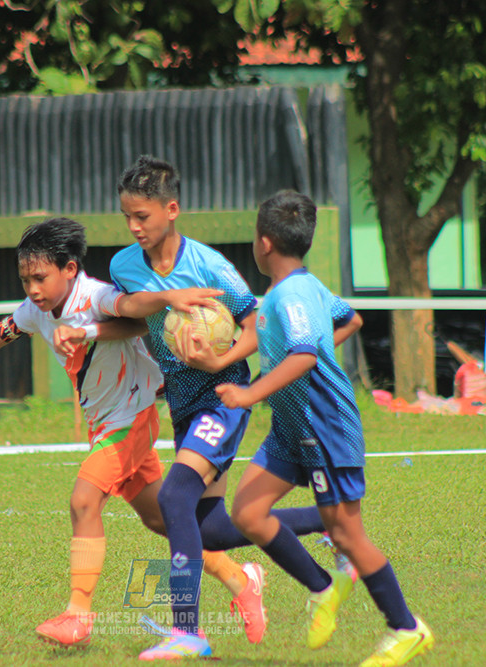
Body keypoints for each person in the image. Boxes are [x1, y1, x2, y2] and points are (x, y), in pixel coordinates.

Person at [0, 217, 266, 650]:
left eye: (40, 277)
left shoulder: (95, 295)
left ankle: (78, 613)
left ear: (69, 269)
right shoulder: (36, 311)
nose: (32, 289)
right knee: (164, 520)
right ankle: (242, 579)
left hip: (132, 419)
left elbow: (135, 313)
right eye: (25, 279)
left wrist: (157, 301)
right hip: (106, 425)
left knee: (83, 499)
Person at [105, 156, 328, 660]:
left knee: (174, 496)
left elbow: (255, 327)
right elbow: (138, 322)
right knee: (213, 528)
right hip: (183, 403)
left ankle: (187, 631)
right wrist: (93, 331)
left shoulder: (209, 266)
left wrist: (218, 360)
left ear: (172, 209)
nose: (135, 227)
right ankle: (327, 520)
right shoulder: (123, 266)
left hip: (222, 395)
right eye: (127, 218)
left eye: (143, 216)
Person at [216, 190, 435, 667]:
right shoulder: (301, 287)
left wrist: (251, 392)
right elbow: (350, 319)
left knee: (347, 536)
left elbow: (305, 354)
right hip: (292, 428)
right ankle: (321, 588)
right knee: (249, 514)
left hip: (325, 428)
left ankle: (405, 628)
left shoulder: (292, 294)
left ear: (265, 243)